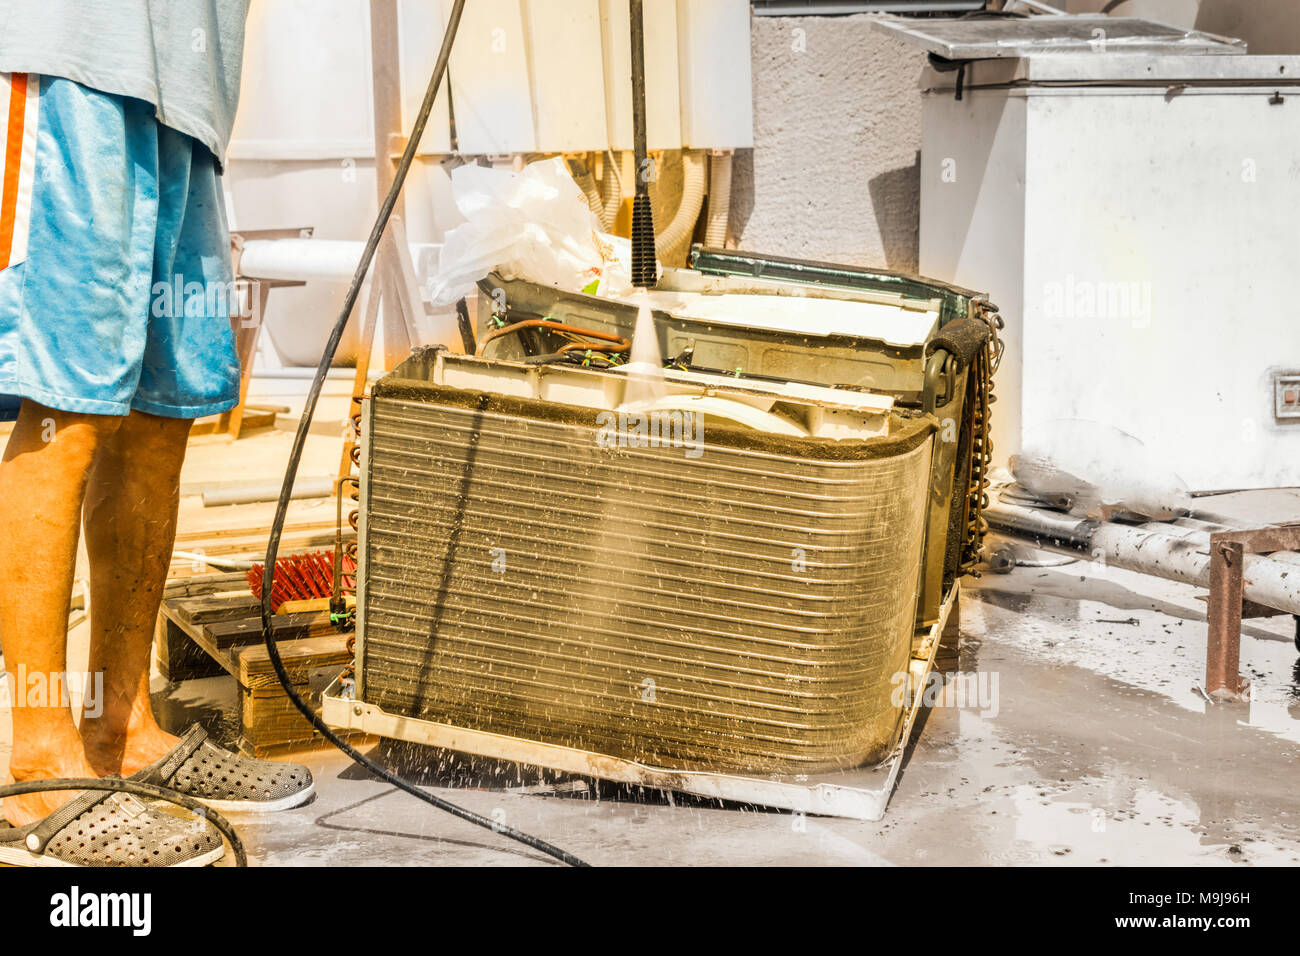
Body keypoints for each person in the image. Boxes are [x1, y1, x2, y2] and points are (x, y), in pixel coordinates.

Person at [0, 0, 313, 867]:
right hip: (77, 60)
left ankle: (119, 728)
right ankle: (37, 758)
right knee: (64, 407)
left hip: (190, 93)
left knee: (161, 416)